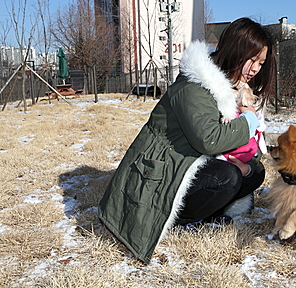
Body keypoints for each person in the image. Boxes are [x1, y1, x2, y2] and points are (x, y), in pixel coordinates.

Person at [98, 17, 276, 264]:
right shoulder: (195, 85)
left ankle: (210, 212)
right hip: (163, 168)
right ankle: (182, 220)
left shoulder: (234, 85)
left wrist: (243, 155)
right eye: (252, 59)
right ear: (235, 50)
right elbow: (209, 141)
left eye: (261, 62)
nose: (255, 68)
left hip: (193, 160)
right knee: (228, 177)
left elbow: (240, 144)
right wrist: (248, 121)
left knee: (255, 172)